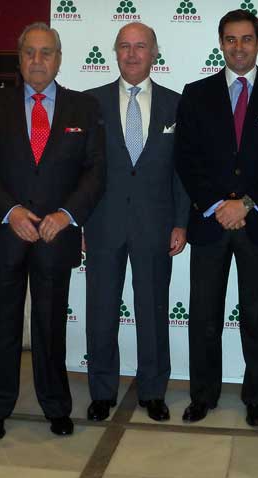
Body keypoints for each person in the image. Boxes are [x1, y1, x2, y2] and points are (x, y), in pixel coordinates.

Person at [0, 22, 105, 440]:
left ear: (59, 59)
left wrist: (66, 214)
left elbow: (96, 171)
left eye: (47, 52)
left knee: (50, 327)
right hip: (7, 235)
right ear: (19, 58)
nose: (38, 60)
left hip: (55, 237)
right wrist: (11, 211)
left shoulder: (83, 107)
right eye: (30, 52)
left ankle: (56, 406)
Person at [175, 9, 258, 427]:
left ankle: (256, 398)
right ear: (221, 43)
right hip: (209, 223)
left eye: (247, 39)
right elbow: (186, 159)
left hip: (257, 223)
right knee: (204, 316)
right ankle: (202, 395)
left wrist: (245, 204)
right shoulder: (195, 93)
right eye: (231, 39)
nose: (239, 47)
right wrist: (217, 205)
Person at [83, 22, 189, 422]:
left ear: (154, 53)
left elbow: (183, 172)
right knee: (101, 311)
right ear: (115, 52)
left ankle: (153, 390)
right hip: (102, 225)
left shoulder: (176, 105)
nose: (131, 54)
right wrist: (79, 223)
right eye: (124, 46)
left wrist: (181, 222)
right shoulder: (90, 104)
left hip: (156, 225)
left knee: (153, 310)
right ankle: (101, 391)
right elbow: (83, 170)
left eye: (140, 47)